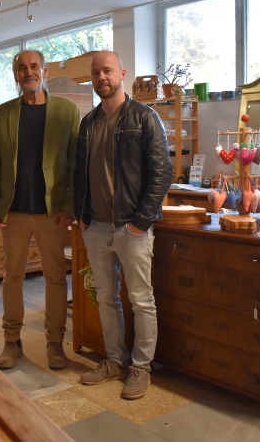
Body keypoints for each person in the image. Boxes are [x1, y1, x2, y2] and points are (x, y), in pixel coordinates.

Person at [74, 50, 173, 400]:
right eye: (96, 73)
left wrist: (140, 223)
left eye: (108, 71)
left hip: (131, 228)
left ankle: (141, 368)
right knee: (105, 299)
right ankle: (115, 361)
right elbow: (78, 174)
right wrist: (81, 216)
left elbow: (163, 174)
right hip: (96, 227)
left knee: (141, 300)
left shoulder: (145, 118)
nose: (102, 77)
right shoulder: (88, 122)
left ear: (122, 74)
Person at [0, 49, 80, 369]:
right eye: (22, 68)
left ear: (45, 70)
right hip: (14, 213)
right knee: (12, 277)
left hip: (52, 213)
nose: (29, 72)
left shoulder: (67, 111)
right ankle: (12, 341)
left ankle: (55, 343)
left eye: (34, 66)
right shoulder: (4, 113)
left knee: (55, 278)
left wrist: (70, 206)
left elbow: (77, 165)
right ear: (15, 75)